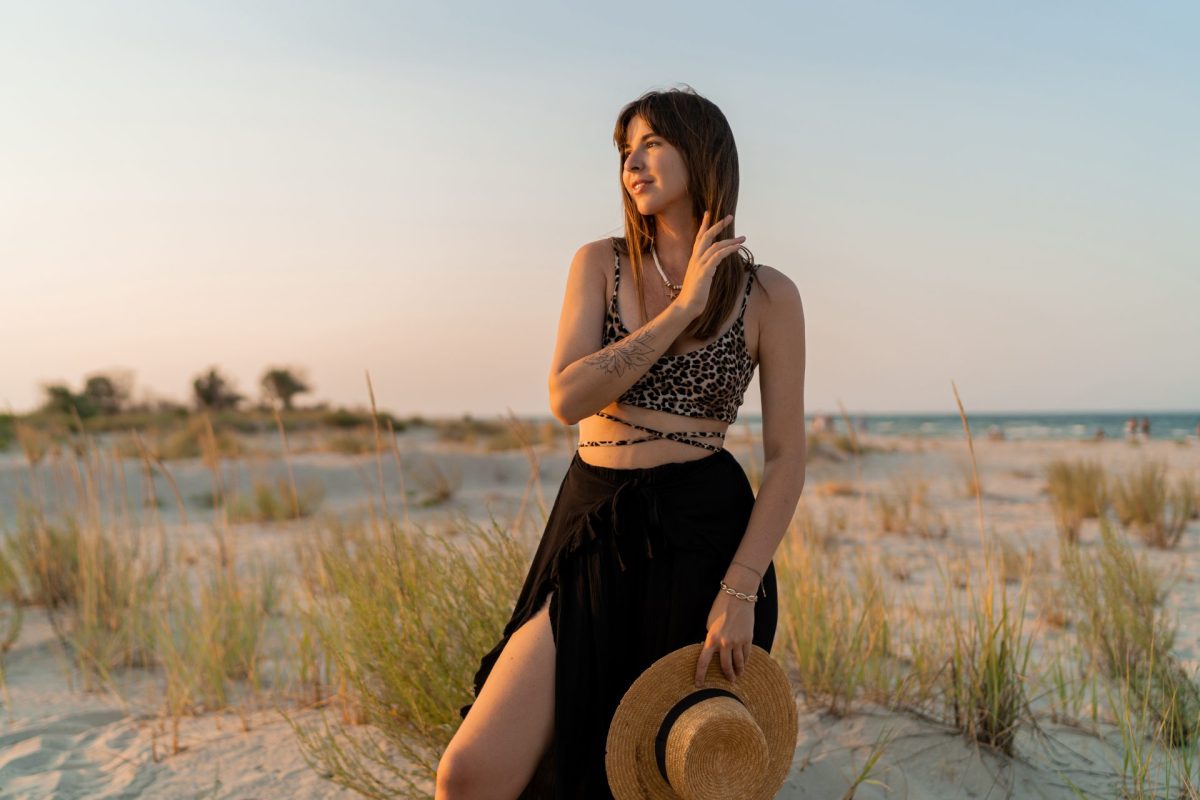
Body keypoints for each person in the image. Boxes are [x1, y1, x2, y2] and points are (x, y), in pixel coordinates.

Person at [435, 87, 807, 799]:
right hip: (595, 524)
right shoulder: (599, 264)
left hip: (706, 537)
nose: (632, 162)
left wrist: (741, 588)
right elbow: (567, 397)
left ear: (703, 156)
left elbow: (787, 459)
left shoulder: (770, 297)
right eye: (624, 150)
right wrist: (682, 309)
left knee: (657, 775)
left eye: (652, 144)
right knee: (471, 774)